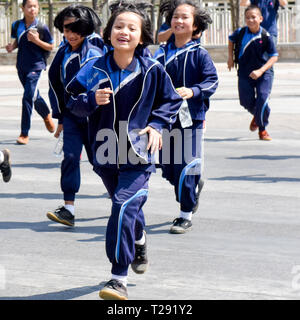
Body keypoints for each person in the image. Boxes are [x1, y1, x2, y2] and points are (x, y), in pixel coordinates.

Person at [66, 0, 182, 299]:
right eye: (119, 26)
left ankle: (118, 278)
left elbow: (170, 101)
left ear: (142, 37)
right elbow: (72, 103)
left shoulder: (152, 70)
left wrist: (157, 125)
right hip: (103, 153)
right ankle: (139, 238)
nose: (124, 32)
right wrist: (91, 100)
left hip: (138, 153)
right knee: (127, 210)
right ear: (108, 33)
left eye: (132, 28)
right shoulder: (94, 69)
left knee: (122, 205)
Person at [154, 0, 218, 234]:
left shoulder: (199, 54)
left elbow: (212, 81)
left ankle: (185, 214)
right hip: (164, 119)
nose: (179, 21)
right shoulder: (159, 54)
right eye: (175, 17)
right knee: (168, 167)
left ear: (195, 25)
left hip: (191, 119)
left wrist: (193, 91)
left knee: (186, 166)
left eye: (185, 17)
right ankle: (193, 187)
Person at [46, 5, 107, 227]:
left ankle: (121, 196)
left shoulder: (97, 51)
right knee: (70, 158)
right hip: (72, 116)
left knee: (100, 162)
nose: (70, 34)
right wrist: (60, 117)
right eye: (66, 29)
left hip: (95, 117)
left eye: (75, 29)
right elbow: (55, 85)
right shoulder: (63, 52)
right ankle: (68, 209)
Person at [5, 0, 55, 145]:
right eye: (29, 6)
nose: (32, 9)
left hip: (36, 67)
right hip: (21, 66)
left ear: (38, 9)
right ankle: (46, 115)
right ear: (23, 8)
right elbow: (17, 42)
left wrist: (37, 41)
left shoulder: (41, 27)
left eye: (35, 6)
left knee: (27, 96)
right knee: (33, 95)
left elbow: (51, 46)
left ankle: (24, 133)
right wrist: (11, 47)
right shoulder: (16, 25)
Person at [227, 4, 278, 141]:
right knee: (245, 101)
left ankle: (262, 129)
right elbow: (231, 39)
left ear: (260, 18)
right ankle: (258, 115)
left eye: (253, 17)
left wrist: (261, 71)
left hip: (264, 72)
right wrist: (230, 58)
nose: (250, 20)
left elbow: (274, 56)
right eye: (247, 18)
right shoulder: (241, 32)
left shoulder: (265, 35)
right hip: (244, 72)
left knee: (262, 98)